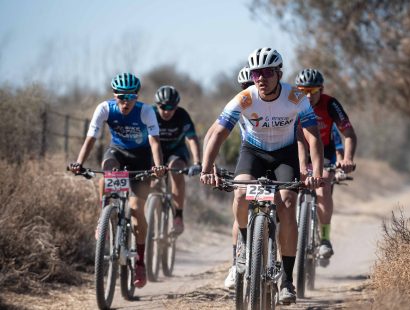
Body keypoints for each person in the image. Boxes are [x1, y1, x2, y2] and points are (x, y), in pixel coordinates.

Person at [201, 47, 324, 303]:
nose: (261, 78)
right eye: (257, 72)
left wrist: (317, 173)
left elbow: (313, 137)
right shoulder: (245, 98)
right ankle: (246, 244)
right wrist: (206, 169)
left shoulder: (295, 97)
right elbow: (218, 134)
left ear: (279, 73)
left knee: (288, 204)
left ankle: (287, 280)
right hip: (253, 153)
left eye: (267, 72)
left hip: (284, 154)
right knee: (241, 193)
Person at [69, 72, 166, 289]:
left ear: (136, 96)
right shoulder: (105, 109)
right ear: (115, 95)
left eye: (131, 97)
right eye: (121, 97)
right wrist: (78, 162)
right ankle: (104, 215)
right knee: (108, 171)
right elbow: (91, 138)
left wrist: (158, 166)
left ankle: (140, 262)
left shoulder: (146, 111)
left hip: (141, 158)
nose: (125, 102)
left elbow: (155, 142)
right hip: (118, 151)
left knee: (136, 209)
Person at [295, 68, 357, 260]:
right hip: (298, 150)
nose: (308, 95)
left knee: (322, 188)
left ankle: (325, 239)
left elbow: (348, 134)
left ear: (321, 90)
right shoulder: (292, 102)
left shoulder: (330, 104)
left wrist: (347, 159)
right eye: (303, 90)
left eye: (313, 91)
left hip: (325, 151)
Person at [153, 85, 202, 234]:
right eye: (163, 107)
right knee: (151, 180)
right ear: (157, 105)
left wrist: (197, 162)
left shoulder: (182, 115)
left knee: (176, 169)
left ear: (177, 106)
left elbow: (192, 139)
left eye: (171, 107)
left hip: (176, 151)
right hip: (155, 151)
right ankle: (152, 214)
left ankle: (178, 216)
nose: (167, 111)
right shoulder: (150, 114)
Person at [223, 66, 254, 289]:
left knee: (283, 209)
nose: (249, 89)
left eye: (251, 85)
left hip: (278, 157)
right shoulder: (240, 102)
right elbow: (219, 130)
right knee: (240, 201)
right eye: (245, 86)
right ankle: (236, 264)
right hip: (251, 156)